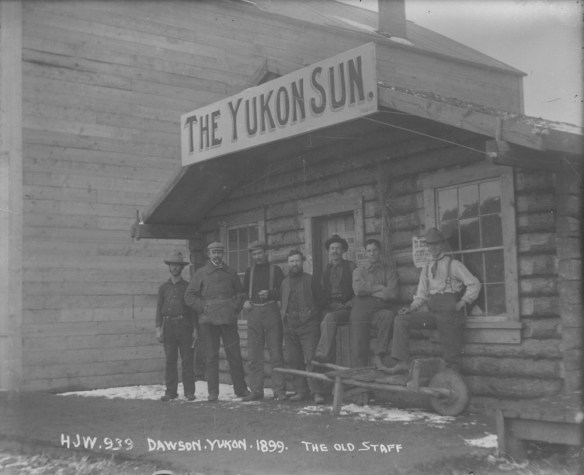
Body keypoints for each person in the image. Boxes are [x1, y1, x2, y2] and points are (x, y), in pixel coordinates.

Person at [385, 228, 481, 374]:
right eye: (429, 245)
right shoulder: (427, 267)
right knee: (401, 319)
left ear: (442, 244)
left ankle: (452, 379)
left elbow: (474, 284)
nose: (432, 248)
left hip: (450, 314)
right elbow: (421, 294)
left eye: (435, 244)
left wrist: (463, 302)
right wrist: (411, 308)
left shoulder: (453, 265)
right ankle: (402, 361)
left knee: (451, 357)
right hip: (433, 313)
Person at [184, 242, 249, 402]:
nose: (217, 255)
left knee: (234, 355)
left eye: (219, 252)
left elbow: (241, 294)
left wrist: (235, 308)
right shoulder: (201, 273)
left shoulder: (231, 272)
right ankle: (213, 392)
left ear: (223, 254)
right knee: (211, 356)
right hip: (208, 321)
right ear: (208, 254)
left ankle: (240, 390)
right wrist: (203, 308)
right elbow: (189, 296)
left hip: (228, 319)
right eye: (213, 252)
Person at [241, 240, 287, 402]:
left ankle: (279, 390)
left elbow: (283, 292)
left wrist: (271, 294)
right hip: (254, 313)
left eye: (260, 253)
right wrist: (245, 302)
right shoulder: (249, 272)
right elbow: (243, 293)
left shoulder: (276, 270)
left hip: (271, 312)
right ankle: (256, 390)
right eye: (254, 254)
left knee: (276, 353)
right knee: (254, 355)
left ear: (266, 253)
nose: (257, 256)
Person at [280, 250, 327, 404]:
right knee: (294, 360)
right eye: (292, 261)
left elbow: (321, 301)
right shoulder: (284, 282)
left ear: (302, 262)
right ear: (288, 264)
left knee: (311, 360)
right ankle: (301, 391)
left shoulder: (311, 280)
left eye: (297, 261)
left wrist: (311, 313)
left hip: (308, 327)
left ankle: (317, 392)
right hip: (290, 327)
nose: (295, 264)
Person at [350, 238, 399, 370]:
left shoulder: (389, 270)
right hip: (361, 307)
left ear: (380, 252)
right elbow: (358, 290)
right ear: (365, 253)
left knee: (388, 315)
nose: (372, 253)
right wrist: (381, 288)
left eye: (375, 250)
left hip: (379, 308)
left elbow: (392, 294)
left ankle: (378, 355)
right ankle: (358, 370)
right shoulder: (359, 271)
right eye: (369, 251)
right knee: (358, 338)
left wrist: (370, 291)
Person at [155, 250, 196, 402]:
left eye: (177, 265)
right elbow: (159, 309)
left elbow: (192, 310)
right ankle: (170, 392)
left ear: (182, 268)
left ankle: (189, 392)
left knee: (187, 360)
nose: (175, 268)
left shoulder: (187, 286)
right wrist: (158, 329)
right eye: (172, 265)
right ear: (169, 267)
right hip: (169, 327)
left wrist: (195, 329)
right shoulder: (163, 288)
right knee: (170, 360)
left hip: (185, 326)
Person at [313, 234, 356, 364]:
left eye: (338, 248)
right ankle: (324, 364)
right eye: (332, 248)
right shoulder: (325, 270)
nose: (335, 251)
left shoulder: (351, 266)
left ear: (343, 251)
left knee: (329, 319)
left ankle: (320, 355)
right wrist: (327, 305)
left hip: (346, 308)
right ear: (328, 251)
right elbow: (321, 293)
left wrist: (349, 303)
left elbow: (358, 290)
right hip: (330, 307)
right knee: (317, 322)